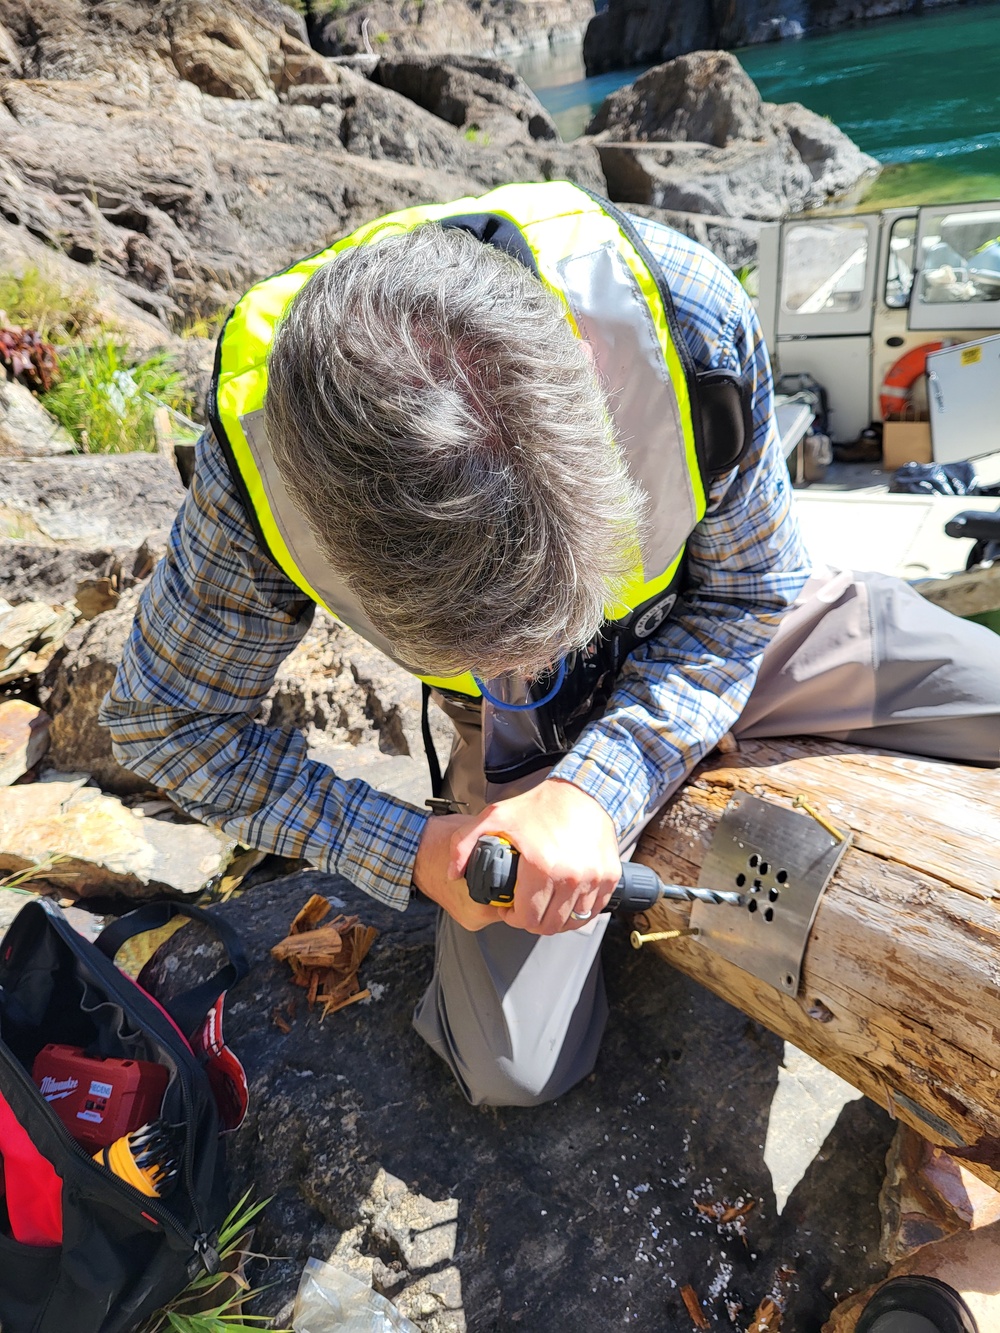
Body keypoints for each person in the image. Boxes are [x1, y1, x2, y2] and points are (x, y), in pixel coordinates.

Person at [101, 180, 1000, 1113]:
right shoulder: (260, 456)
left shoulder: (680, 316)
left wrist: (601, 788)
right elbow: (168, 723)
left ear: (586, 363)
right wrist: (416, 847)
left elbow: (753, 589)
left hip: (736, 623)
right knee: (512, 1067)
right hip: (517, 736)